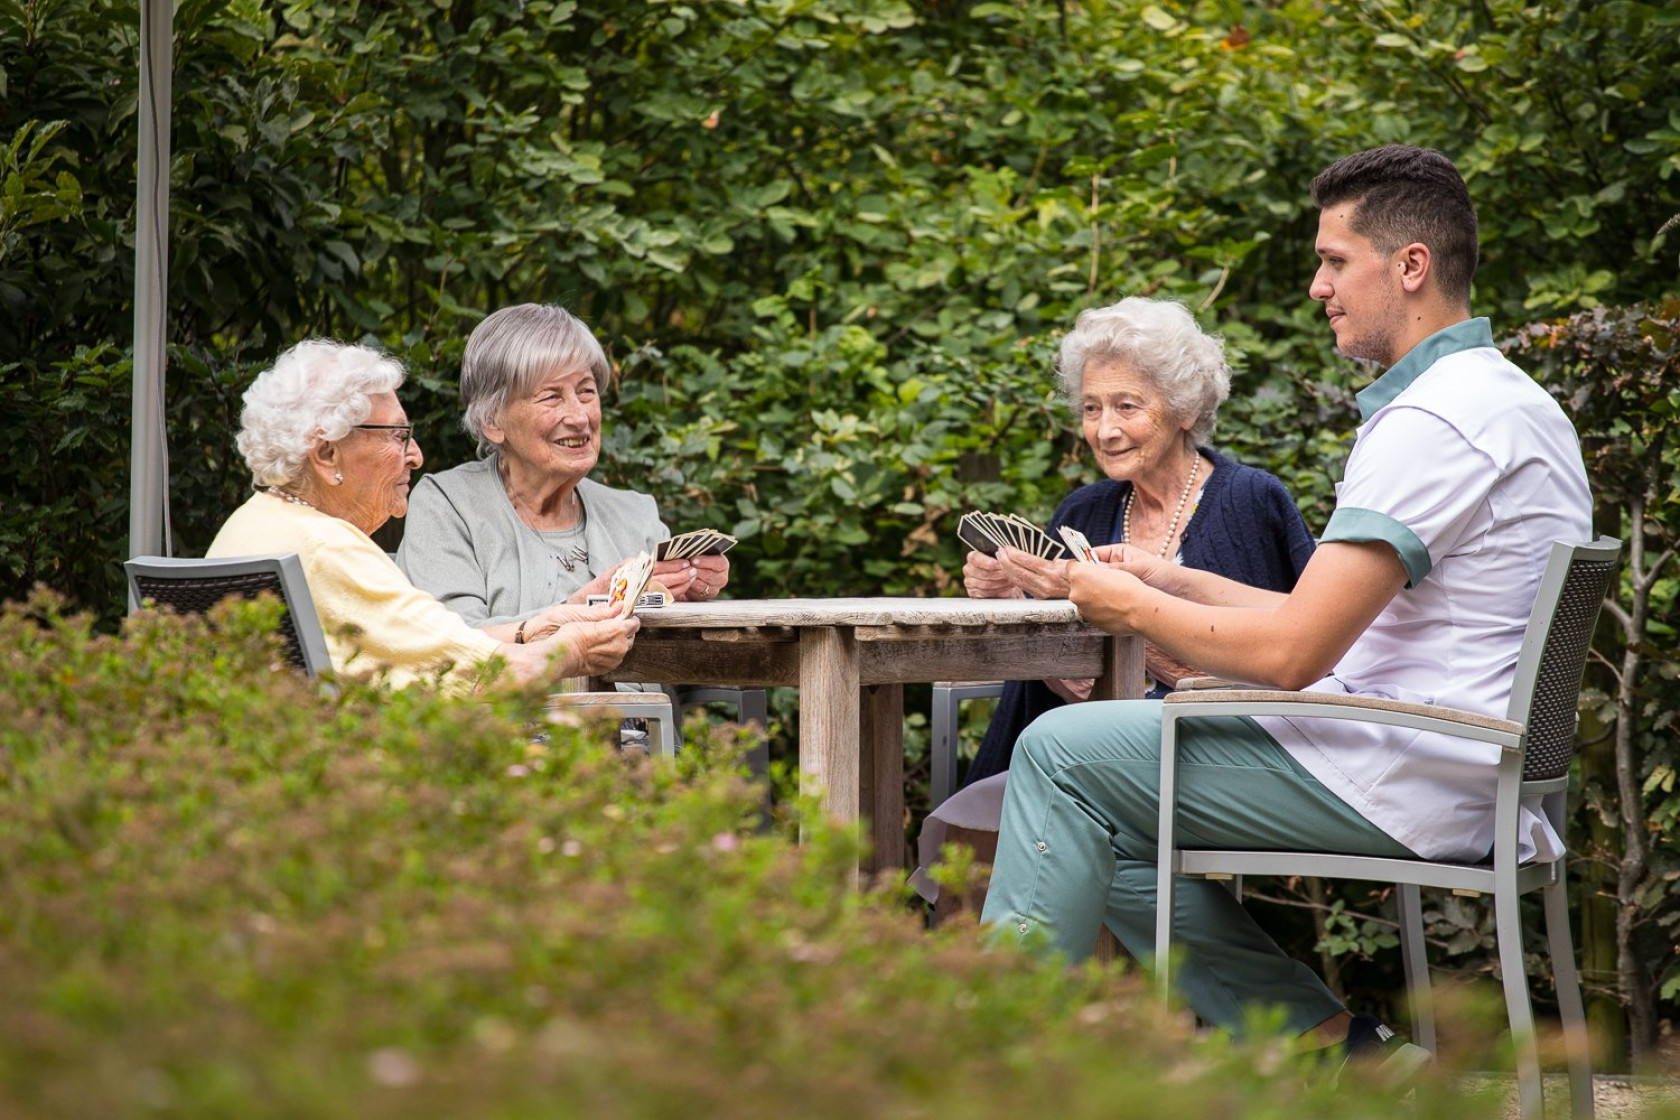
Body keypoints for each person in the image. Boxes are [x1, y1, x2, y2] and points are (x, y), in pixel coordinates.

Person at [978, 145, 1592, 1062]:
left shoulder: (1435, 423)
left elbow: (1293, 655)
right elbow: (1320, 610)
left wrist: (1129, 610)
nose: (1317, 287)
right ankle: (1339, 1048)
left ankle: (982, 1069)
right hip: (1458, 760)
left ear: (1411, 266)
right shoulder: (1509, 402)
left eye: (1335, 261)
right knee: (1100, 819)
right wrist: (1168, 579)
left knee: (1061, 756)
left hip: (1412, 771)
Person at [959, 297, 1316, 787]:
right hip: (1087, 752)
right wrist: (1011, 597)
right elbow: (1067, 685)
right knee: (973, 815)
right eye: (1091, 408)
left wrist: (1129, 629)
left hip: (1218, 758)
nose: (1105, 430)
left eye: (1127, 406)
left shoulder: (1250, 501)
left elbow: (1295, 659)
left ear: (1185, 409)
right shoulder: (1082, 511)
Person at [207, 340, 639, 691]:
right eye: (397, 436)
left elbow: (440, 647)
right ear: (326, 453)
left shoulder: (256, 524)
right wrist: (575, 650)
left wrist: (542, 624)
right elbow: (475, 676)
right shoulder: (327, 551)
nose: (415, 455)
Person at [397, 303, 730, 626]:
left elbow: (683, 653)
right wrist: (588, 604)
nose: (580, 416)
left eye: (586, 392)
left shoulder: (635, 516)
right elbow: (451, 644)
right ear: (492, 422)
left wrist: (690, 591)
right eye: (551, 397)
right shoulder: (449, 506)